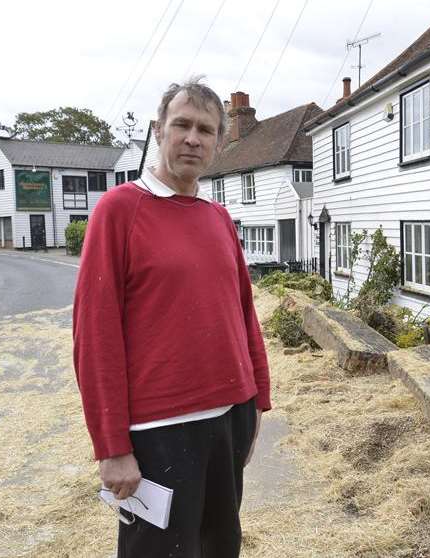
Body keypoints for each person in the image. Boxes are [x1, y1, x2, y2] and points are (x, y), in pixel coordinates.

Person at [72, 77, 271, 558]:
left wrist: (257, 400)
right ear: (159, 130)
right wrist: (111, 445)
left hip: (229, 418)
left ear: (218, 143)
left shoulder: (218, 217)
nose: (192, 138)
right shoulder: (119, 210)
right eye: (181, 124)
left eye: (206, 129)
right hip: (158, 431)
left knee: (220, 545)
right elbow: (94, 335)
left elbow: (243, 312)